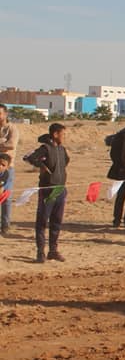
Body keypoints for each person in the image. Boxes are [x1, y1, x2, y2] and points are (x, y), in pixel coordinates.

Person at [23, 123, 69, 263]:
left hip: (60, 188)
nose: (65, 137)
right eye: (63, 134)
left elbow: (66, 161)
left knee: (56, 221)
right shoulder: (45, 148)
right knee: (42, 221)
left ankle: (53, 251)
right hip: (47, 189)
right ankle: (40, 252)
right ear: (55, 134)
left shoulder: (62, 149)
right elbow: (30, 157)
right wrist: (42, 166)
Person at [0, 104, 20, 236]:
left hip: (7, 167)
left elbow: (11, 145)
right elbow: (6, 145)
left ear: (5, 114)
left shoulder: (12, 128)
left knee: (6, 197)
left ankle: (5, 225)